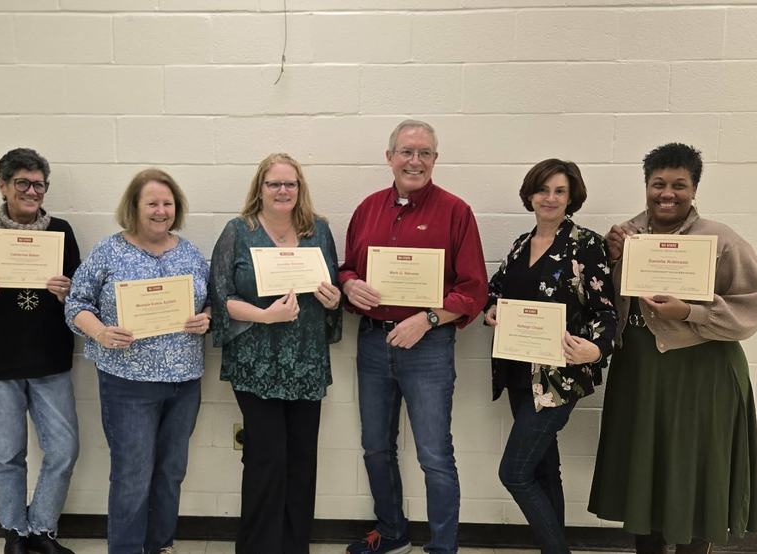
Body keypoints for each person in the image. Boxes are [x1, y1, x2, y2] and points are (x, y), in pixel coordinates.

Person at [588, 143, 757, 554]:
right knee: (644, 475)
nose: (667, 194)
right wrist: (611, 258)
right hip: (641, 372)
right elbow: (602, 305)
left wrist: (691, 311)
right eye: (658, 184)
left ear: (694, 189)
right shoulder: (625, 235)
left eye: (679, 186)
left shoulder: (720, 239)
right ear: (646, 185)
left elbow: (751, 307)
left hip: (704, 375)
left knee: (698, 473)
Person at [338, 120, 488, 554]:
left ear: (435, 160)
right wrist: (349, 285)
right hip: (373, 342)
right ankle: (392, 533)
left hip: (429, 346)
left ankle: (443, 547)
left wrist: (426, 318)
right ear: (390, 157)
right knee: (375, 447)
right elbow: (347, 267)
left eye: (425, 153)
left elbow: (472, 290)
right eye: (407, 151)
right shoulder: (368, 209)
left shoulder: (456, 211)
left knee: (434, 456)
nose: (415, 161)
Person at [65, 168, 210, 554]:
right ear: (134, 207)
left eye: (167, 203)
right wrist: (99, 332)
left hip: (184, 382)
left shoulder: (191, 253)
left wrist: (206, 317)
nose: (161, 211)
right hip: (128, 383)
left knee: (170, 473)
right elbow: (75, 303)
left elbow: (210, 300)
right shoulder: (108, 251)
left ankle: (159, 545)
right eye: (152, 203)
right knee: (132, 475)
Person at [209, 153, 343, 554]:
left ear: (300, 189)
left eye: (290, 184)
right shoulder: (238, 231)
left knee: (302, 463)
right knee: (267, 462)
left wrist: (334, 299)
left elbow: (333, 291)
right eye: (274, 184)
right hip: (257, 366)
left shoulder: (318, 231)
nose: (283, 191)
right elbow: (221, 298)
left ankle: (293, 546)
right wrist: (266, 316)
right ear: (260, 189)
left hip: (306, 362)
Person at [0, 148, 81, 554]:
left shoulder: (61, 231)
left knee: (63, 449)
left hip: (50, 362)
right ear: (3, 186)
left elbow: (81, 299)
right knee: (8, 455)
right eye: (22, 183)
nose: (31, 191)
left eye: (38, 184)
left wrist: (68, 294)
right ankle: (15, 533)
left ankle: (42, 529)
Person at [483, 159, 617, 554]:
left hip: (557, 379)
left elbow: (605, 311)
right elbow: (496, 290)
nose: (551, 198)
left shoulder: (585, 244)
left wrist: (597, 347)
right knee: (543, 470)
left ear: (571, 196)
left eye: (560, 191)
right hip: (517, 370)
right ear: (530, 194)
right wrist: (491, 309)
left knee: (514, 472)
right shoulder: (520, 245)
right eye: (543, 190)